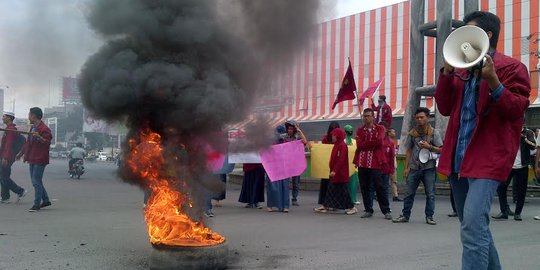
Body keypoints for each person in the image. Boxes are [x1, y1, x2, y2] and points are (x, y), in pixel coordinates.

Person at [435, 11, 530, 270]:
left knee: (473, 227)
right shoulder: (460, 70)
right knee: (475, 228)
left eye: (469, 31)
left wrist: (493, 80)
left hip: (488, 159)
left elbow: (516, 109)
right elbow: (444, 107)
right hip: (459, 158)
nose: (462, 39)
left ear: (486, 36)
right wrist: (445, 72)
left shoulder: (512, 68)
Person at [392, 107, 442, 225]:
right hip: (414, 168)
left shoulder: (434, 132)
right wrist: (406, 167)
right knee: (408, 193)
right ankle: (405, 215)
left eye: (422, 117)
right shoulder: (412, 133)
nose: (419, 120)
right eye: (417, 118)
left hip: (429, 167)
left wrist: (429, 147)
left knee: (430, 194)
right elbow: (409, 150)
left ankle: (429, 217)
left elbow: (441, 149)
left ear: (428, 118)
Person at [353, 108, 392, 220]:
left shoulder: (379, 129)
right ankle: (368, 209)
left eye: (368, 116)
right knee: (365, 187)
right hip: (362, 162)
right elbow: (359, 145)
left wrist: (365, 143)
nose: (366, 118)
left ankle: (386, 210)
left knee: (379, 186)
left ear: (373, 116)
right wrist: (370, 144)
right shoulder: (360, 130)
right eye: (364, 116)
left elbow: (380, 142)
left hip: (375, 162)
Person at [492, 126, 535, 221]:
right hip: (509, 165)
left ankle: (518, 213)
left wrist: (524, 139)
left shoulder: (528, 132)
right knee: (501, 187)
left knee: (521, 190)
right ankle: (504, 211)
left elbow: (533, 146)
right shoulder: (508, 131)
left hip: (522, 166)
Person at [16, 107, 53, 212]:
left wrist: (39, 137)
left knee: (36, 181)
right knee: (37, 181)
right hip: (32, 157)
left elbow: (47, 143)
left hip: (40, 158)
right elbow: (28, 143)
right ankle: (45, 200)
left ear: (34, 116)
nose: (28, 116)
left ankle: (36, 205)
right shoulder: (33, 128)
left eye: (29, 114)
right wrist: (20, 153)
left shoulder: (44, 129)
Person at [314, 128, 356, 214]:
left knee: (344, 192)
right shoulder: (337, 145)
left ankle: (352, 208)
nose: (332, 137)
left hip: (340, 174)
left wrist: (335, 171)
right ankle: (325, 206)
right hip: (336, 173)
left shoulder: (342, 146)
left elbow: (340, 160)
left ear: (338, 136)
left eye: (334, 135)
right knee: (331, 190)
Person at [0, 111, 26, 204]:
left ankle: (20, 191)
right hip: (5, 156)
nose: (2, 118)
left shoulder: (11, 129)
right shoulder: (9, 129)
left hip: (7, 157)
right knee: (4, 176)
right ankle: (5, 197)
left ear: (9, 118)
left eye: (4, 116)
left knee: (3, 177)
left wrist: (5, 157)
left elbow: (9, 145)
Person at [283, 120, 309, 206]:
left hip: (296, 164)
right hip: (286, 163)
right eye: (288, 128)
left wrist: (300, 131)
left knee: (295, 183)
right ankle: (284, 197)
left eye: (291, 129)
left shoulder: (297, 138)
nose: (289, 130)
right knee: (285, 182)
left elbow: (305, 141)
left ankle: (294, 198)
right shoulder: (284, 138)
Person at [315, 121, 340, 210]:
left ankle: (334, 204)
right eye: (332, 129)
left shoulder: (339, 141)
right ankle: (325, 204)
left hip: (335, 165)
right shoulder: (325, 138)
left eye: (335, 129)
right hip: (326, 165)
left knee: (335, 185)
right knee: (326, 184)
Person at [266, 125, 290, 213]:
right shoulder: (271, 143)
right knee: (274, 186)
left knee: (283, 187)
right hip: (273, 167)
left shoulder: (286, 142)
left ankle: (284, 205)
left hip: (282, 167)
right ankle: (272, 205)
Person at [344, 125, 360, 205]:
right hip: (345, 166)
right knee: (345, 184)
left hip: (354, 166)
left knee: (354, 183)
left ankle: (353, 199)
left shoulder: (355, 141)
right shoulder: (343, 141)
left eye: (351, 129)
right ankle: (346, 199)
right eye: (349, 130)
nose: (350, 131)